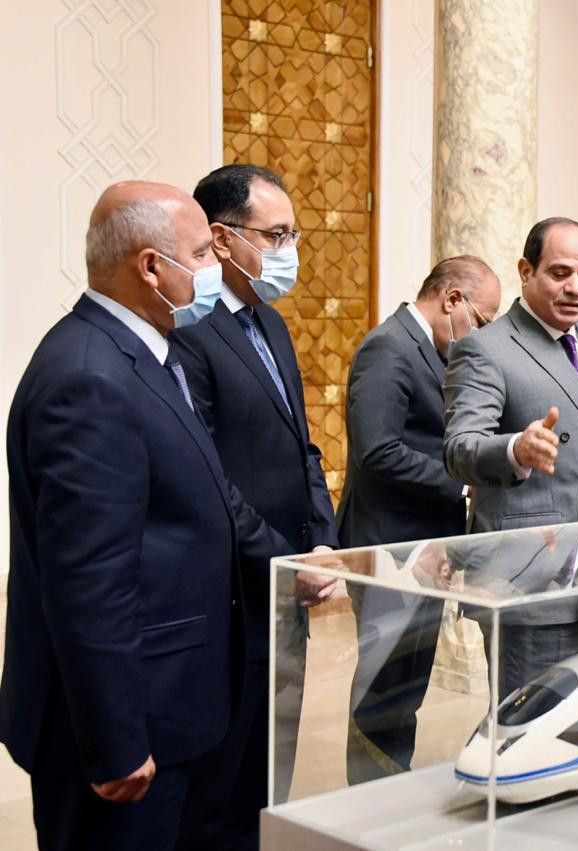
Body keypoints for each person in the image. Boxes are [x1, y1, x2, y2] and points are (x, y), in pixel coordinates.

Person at [0, 181, 241, 849]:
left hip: (172, 705)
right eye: (202, 252)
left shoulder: (142, 352)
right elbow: (88, 582)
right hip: (129, 729)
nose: (215, 266)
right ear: (151, 267)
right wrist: (116, 742)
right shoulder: (90, 377)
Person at [168, 164, 337, 843]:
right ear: (223, 238)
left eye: (293, 235)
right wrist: (282, 559)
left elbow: (303, 446)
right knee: (222, 787)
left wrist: (324, 539)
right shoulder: (189, 331)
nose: (289, 251)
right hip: (233, 592)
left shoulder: (271, 324)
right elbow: (207, 473)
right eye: (276, 235)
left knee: (272, 773)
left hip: (288, 588)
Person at [443, 217, 578, 699]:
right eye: (560, 273)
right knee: (528, 717)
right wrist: (515, 448)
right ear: (526, 271)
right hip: (527, 579)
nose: (576, 288)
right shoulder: (485, 348)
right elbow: (459, 448)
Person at [336, 255, 500, 783]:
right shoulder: (389, 347)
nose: (483, 335)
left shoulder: (428, 349)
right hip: (389, 544)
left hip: (422, 546)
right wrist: (463, 482)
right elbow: (377, 449)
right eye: (483, 320)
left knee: (406, 688)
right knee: (381, 692)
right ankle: (368, 801)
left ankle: (390, 786)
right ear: (452, 300)